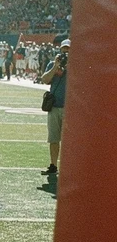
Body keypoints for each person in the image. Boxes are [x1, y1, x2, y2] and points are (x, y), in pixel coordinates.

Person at [40, 39, 70, 175]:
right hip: (54, 106)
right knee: (53, 138)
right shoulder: (53, 64)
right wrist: (55, 67)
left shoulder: (77, 65)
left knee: (69, 140)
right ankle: (53, 165)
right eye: (64, 49)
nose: (66, 52)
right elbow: (45, 79)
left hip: (70, 108)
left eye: (68, 49)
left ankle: (68, 167)